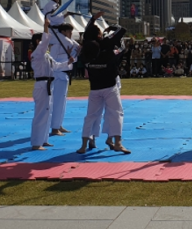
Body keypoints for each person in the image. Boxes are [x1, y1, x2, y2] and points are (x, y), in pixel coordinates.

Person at [77, 12, 130, 154]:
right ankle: (117, 142)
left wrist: (93, 19)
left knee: (91, 116)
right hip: (109, 87)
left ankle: (84, 144)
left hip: (94, 88)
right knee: (116, 113)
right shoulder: (106, 48)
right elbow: (122, 39)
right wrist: (111, 29)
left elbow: (88, 33)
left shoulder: (85, 54)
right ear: (100, 35)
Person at [30, 17, 76, 150]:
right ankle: (36, 143)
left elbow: (56, 66)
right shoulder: (38, 53)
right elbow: (45, 41)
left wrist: (68, 62)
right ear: (38, 42)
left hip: (48, 84)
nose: (48, 45)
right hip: (41, 84)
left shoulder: (46, 56)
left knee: (48, 112)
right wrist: (46, 27)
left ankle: (43, 139)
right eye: (45, 42)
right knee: (41, 114)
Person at [49, 23, 80, 137]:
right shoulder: (56, 44)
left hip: (64, 73)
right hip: (58, 74)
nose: (71, 34)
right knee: (57, 102)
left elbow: (74, 56)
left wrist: (74, 55)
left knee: (62, 102)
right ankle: (55, 127)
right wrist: (66, 62)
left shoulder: (68, 43)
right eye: (69, 32)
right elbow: (52, 62)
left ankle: (59, 124)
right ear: (63, 32)